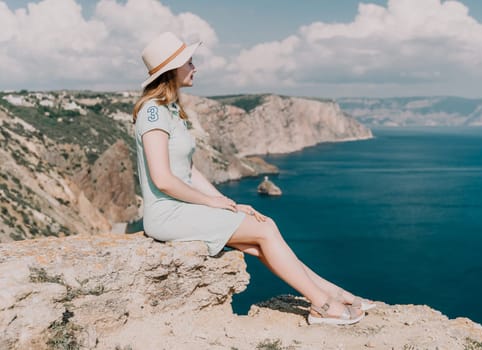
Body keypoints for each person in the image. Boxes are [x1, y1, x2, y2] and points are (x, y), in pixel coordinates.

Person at [133, 32, 375, 325]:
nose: (195, 67)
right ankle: (322, 305)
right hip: (167, 214)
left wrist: (227, 203)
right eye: (189, 62)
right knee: (266, 229)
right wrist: (212, 202)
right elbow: (164, 180)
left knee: (259, 241)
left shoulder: (171, 110)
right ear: (171, 71)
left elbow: (190, 171)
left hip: (183, 207)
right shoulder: (153, 114)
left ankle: (331, 292)